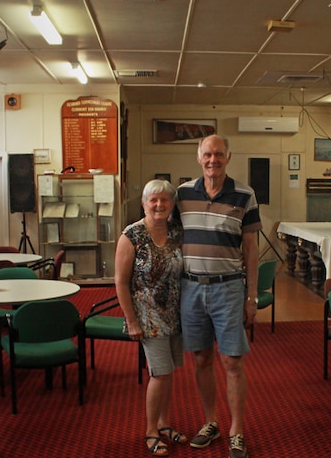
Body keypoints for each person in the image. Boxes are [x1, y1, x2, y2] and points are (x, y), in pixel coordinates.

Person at [175, 134, 261, 458]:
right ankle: (210, 422)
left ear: (229, 157)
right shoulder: (182, 194)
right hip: (191, 288)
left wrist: (252, 296)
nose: (213, 160)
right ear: (199, 157)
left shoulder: (245, 194)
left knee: (232, 361)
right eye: (207, 154)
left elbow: (251, 249)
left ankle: (236, 429)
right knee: (200, 359)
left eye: (219, 155)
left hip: (228, 288)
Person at [115, 179, 186, 457]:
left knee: (169, 374)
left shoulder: (176, 231)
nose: (159, 205)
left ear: (171, 204)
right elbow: (120, 283)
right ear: (144, 203)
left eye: (164, 200)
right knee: (160, 373)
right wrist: (131, 321)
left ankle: (163, 423)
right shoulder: (131, 235)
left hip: (174, 314)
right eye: (153, 200)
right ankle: (150, 431)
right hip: (147, 316)